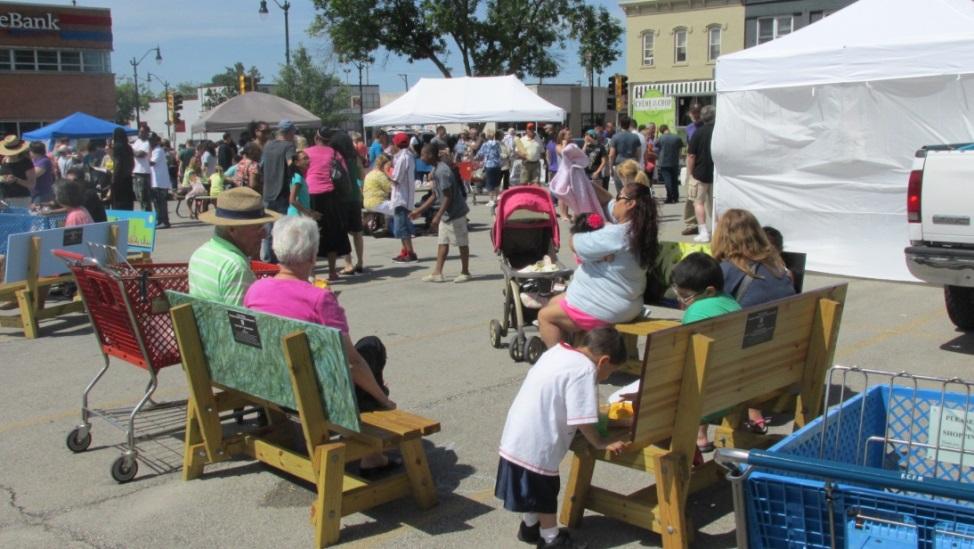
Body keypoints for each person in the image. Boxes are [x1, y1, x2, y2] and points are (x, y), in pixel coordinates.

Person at [244, 216, 399, 474]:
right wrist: (384, 400)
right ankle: (372, 457)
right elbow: (352, 362)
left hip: (270, 382)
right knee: (370, 349)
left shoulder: (256, 290)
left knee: (357, 363)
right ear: (313, 256)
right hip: (314, 392)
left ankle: (370, 448)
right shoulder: (320, 298)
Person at [495, 327, 629, 549]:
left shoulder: (557, 352)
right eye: (611, 371)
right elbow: (581, 417)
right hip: (538, 444)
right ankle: (551, 539)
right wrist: (600, 441)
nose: (608, 377)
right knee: (546, 493)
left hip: (516, 438)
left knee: (533, 491)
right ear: (603, 361)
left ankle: (529, 528)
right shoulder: (584, 370)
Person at [607, 252, 742, 453]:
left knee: (615, 404)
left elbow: (677, 367)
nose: (680, 300)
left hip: (699, 398)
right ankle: (689, 447)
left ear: (709, 291)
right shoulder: (731, 303)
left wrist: (645, 394)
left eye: (685, 296)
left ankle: (679, 454)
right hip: (732, 390)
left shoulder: (697, 313)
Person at [537, 182, 658, 347]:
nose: (614, 202)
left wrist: (582, 231)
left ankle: (562, 363)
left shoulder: (617, 234)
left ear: (630, 204)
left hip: (605, 306)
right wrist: (580, 177)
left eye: (619, 197)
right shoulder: (640, 230)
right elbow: (606, 200)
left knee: (545, 316)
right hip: (625, 302)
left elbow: (574, 243)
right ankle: (576, 349)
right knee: (554, 302)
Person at [712, 209, 796, 435]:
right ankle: (754, 411)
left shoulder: (726, 270)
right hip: (783, 356)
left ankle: (702, 431)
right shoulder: (780, 269)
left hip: (745, 363)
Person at [188, 187, 281, 306]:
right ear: (232, 229)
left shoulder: (200, 253)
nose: (263, 234)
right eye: (257, 227)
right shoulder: (236, 266)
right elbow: (241, 321)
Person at [411, 143, 471, 283]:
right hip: (446, 214)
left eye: (423, 155)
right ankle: (437, 272)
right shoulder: (436, 169)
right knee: (442, 242)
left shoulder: (442, 172)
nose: (421, 158)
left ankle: (465, 271)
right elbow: (434, 195)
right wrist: (418, 211)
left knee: (461, 243)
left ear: (430, 155)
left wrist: (437, 216)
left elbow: (448, 196)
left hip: (456, 213)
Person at [305, 128, 351, 280]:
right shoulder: (334, 153)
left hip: (310, 194)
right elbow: (344, 174)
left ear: (316, 137)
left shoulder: (306, 152)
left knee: (311, 234)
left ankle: (312, 273)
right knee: (332, 233)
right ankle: (332, 271)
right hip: (329, 194)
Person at [330, 131, 367, 275]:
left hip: (341, 198)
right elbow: (361, 174)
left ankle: (348, 263)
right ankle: (360, 262)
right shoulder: (355, 157)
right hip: (355, 197)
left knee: (343, 232)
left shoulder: (336, 158)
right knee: (358, 232)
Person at [260, 119, 297, 261]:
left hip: (267, 192)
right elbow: (290, 164)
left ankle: (269, 260)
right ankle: (281, 260)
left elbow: (261, 166)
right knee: (282, 229)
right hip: (282, 192)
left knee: (269, 229)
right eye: (293, 132)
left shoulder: (268, 145)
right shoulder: (289, 146)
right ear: (289, 132)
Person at [549, 128, 601, 220]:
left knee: (571, 193)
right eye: (569, 134)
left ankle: (573, 212)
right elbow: (563, 153)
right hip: (564, 172)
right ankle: (563, 214)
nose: (571, 136)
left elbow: (581, 154)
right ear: (563, 136)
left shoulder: (573, 145)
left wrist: (585, 144)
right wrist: (564, 144)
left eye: (570, 134)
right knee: (563, 192)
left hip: (573, 173)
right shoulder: (558, 146)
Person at [688, 105, 716, 242]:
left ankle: (703, 231)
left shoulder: (697, 133)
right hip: (716, 173)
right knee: (715, 203)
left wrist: (690, 173)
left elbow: (691, 156)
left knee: (698, 203)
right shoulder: (719, 131)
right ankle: (717, 230)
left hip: (700, 173)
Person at [390, 132, 417, 263]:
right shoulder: (408, 156)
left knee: (401, 227)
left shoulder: (403, 158)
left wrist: (386, 170)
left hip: (401, 197)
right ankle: (405, 250)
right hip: (405, 195)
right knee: (403, 225)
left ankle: (410, 252)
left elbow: (396, 179)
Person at [608, 115, 642, 192]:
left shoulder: (615, 137)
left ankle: (622, 202)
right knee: (632, 188)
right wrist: (637, 163)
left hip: (620, 164)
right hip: (631, 164)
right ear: (630, 124)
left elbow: (611, 155)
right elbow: (638, 153)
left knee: (620, 190)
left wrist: (610, 169)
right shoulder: (635, 137)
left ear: (620, 124)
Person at [148, 134, 172, 229]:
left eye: (150, 140)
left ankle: (164, 221)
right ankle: (160, 220)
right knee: (157, 203)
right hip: (156, 181)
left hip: (160, 182)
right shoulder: (154, 150)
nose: (149, 142)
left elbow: (152, 163)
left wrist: (141, 157)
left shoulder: (158, 150)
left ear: (155, 141)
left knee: (160, 203)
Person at [656, 125, 684, 204]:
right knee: (675, 180)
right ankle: (675, 197)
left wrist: (656, 134)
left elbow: (656, 145)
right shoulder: (677, 137)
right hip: (674, 161)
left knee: (667, 180)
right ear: (667, 128)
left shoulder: (661, 138)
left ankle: (669, 197)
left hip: (664, 162)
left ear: (662, 131)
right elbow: (681, 148)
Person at [475, 130, 503, 208]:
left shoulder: (485, 144)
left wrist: (475, 157)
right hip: (497, 165)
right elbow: (500, 153)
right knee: (497, 182)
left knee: (490, 183)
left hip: (489, 165)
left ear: (487, 136)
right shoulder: (497, 144)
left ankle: (491, 200)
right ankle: (497, 198)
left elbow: (480, 154)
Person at [110, 128, 135, 210]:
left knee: (118, 204)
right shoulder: (129, 147)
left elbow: (118, 163)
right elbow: (132, 163)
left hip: (119, 179)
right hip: (128, 178)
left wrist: (113, 179)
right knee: (128, 203)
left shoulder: (117, 147)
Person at [286, 150, 317, 219]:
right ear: (297, 163)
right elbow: (292, 200)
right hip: (297, 217)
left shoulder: (299, 177)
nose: (308, 161)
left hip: (300, 215)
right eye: (305, 159)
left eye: (308, 158)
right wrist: (308, 213)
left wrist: (311, 212)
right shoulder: (298, 178)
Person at [131, 124, 152, 211]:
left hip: (143, 173)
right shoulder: (137, 141)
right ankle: (144, 214)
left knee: (144, 197)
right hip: (136, 172)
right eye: (139, 131)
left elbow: (139, 154)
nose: (140, 133)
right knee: (138, 196)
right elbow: (134, 153)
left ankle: (147, 216)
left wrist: (131, 149)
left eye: (142, 131)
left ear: (147, 133)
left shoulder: (147, 143)